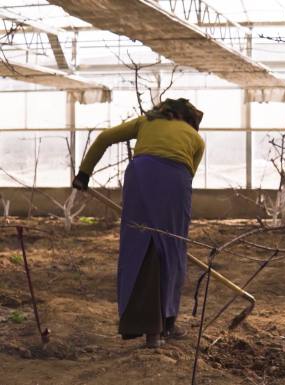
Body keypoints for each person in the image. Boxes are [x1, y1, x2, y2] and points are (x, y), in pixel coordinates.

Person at [72, 98, 205, 348]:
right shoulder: (197, 140)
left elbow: (104, 138)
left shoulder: (146, 121)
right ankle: (166, 323)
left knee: (138, 244)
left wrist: (84, 173)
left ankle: (142, 325)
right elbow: (188, 175)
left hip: (141, 173)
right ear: (188, 119)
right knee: (173, 250)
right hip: (176, 181)